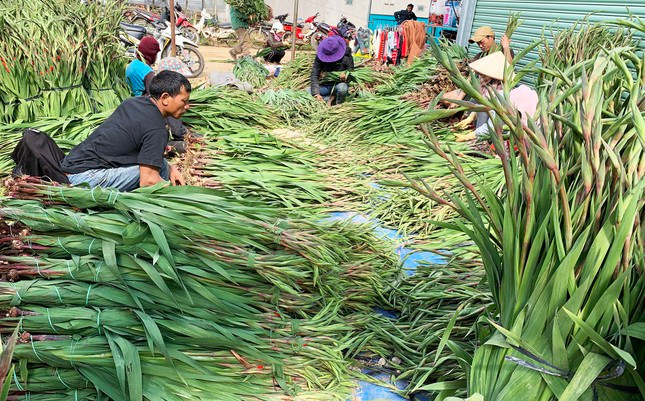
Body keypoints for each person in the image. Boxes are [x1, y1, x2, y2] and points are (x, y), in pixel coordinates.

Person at [61, 71, 190, 191]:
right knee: (151, 174)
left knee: (159, 165)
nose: (187, 106)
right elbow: (148, 181)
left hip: (69, 167)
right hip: (83, 180)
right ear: (165, 98)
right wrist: (179, 193)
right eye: (184, 101)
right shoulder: (157, 129)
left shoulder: (134, 103)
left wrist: (170, 168)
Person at [453, 51, 538, 142]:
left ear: (491, 77)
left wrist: (469, 136)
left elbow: (493, 126)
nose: (479, 77)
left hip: (516, 135)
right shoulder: (490, 90)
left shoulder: (500, 96)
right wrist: (471, 117)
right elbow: (483, 103)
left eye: (482, 74)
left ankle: (482, 141)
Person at [309, 36, 353, 105]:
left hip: (338, 86)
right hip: (325, 86)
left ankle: (338, 103)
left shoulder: (346, 56)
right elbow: (314, 74)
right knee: (307, 91)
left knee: (342, 88)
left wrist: (346, 75)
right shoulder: (319, 56)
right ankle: (328, 98)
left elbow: (351, 72)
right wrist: (316, 93)